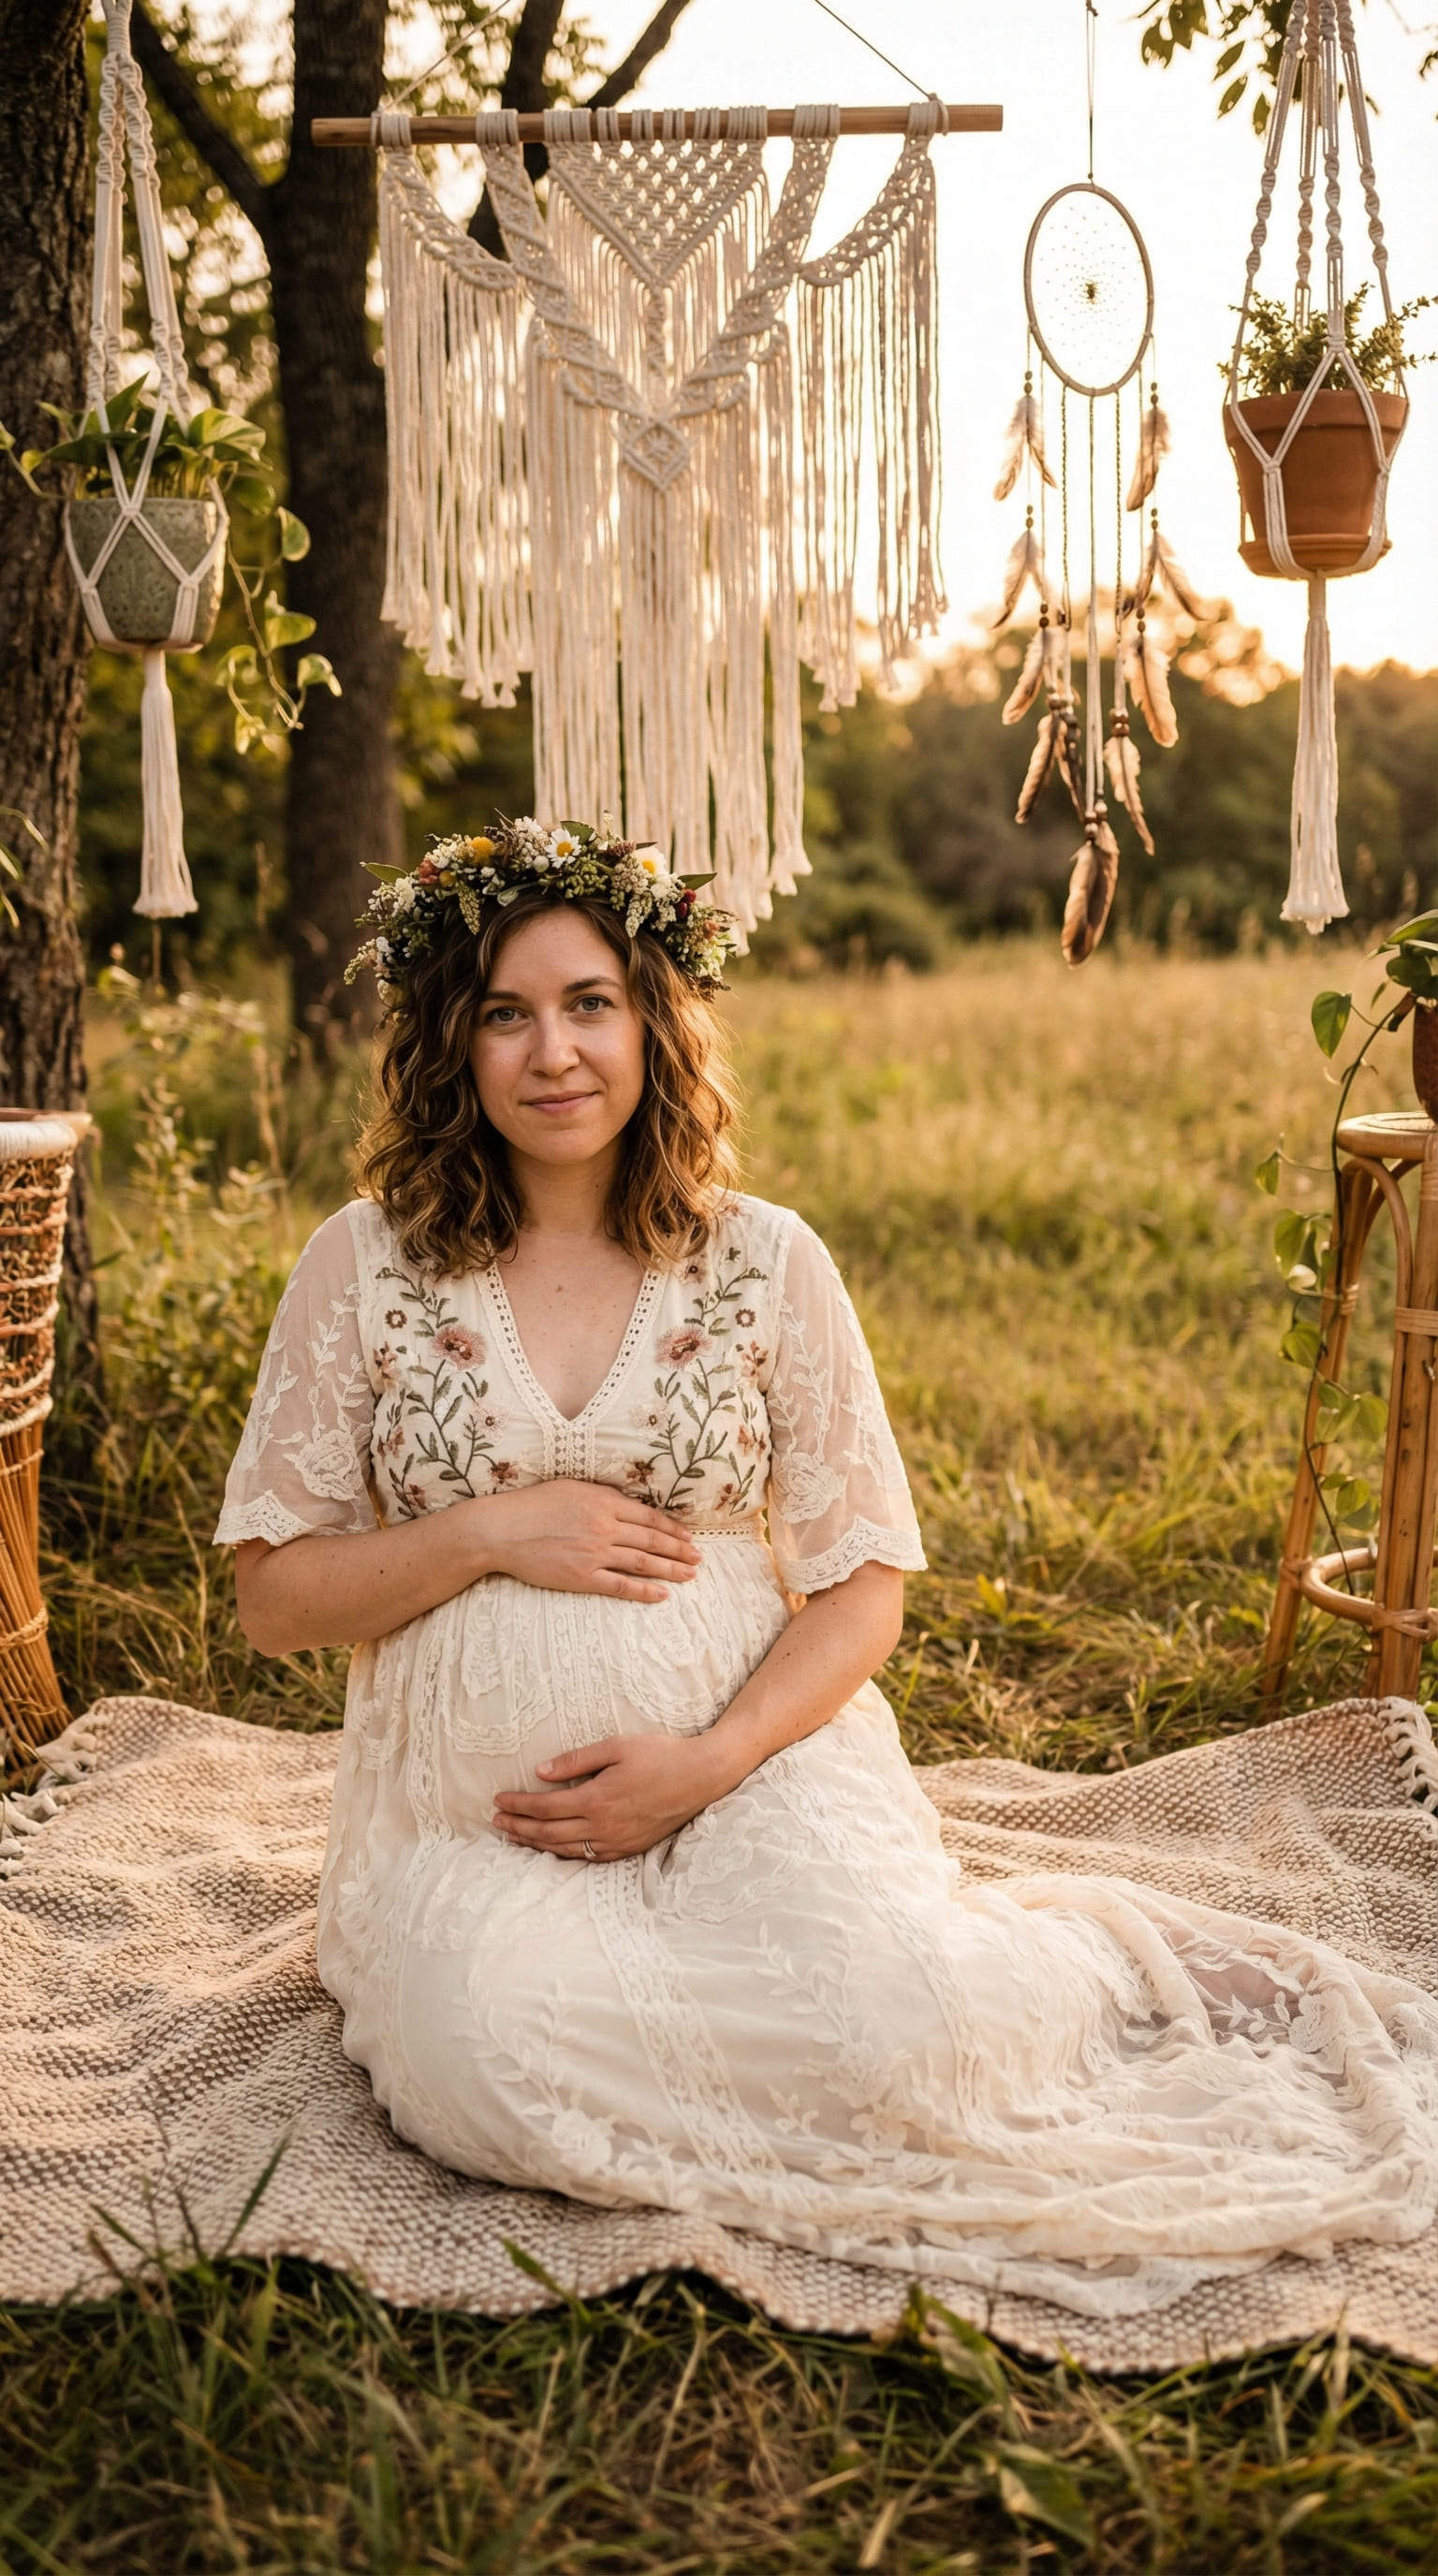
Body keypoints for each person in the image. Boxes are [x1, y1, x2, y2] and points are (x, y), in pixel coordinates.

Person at [215, 816, 1438, 2321]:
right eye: (505, 1014)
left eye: (591, 1002)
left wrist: (707, 1760)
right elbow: (272, 1599)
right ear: (450, 1048)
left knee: (893, 2029)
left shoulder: (765, 1259)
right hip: (476, 1821)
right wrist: (487, 1531)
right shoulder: (364, 1263)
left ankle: (1088, 1968)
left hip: (753, 1757)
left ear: (655, 1021)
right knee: (480, 2057)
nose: (554, 1053)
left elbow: (864, 1582)